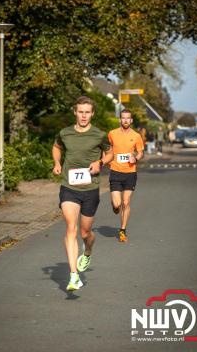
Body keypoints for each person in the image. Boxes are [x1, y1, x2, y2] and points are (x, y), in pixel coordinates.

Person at [52, 96, 113, 291]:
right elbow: (56, 146)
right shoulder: (65, 133)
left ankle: (87, 251)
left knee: (85, 232)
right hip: (69, 187)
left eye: (87, 112)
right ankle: (73, 276)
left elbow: (110, 152)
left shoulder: (99, 135)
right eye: (80, 112)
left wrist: (100, 163)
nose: (84, 115)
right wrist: (57, 163)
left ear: (92, 113)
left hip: (90, 189)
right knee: (71, 228)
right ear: (75, 112)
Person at [108, 109, 144, 242]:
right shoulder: (112, 134)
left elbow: (140, 152)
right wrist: (106, 160)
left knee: (126, 202)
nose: (126, 120)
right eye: (123, 118)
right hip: (115, 171)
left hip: (130, 173)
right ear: (120, 120)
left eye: (128, 118)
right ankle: (115, 206)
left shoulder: (136, 136)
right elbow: (107, 149)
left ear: (131, 120)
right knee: (117, 204)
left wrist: (136, 158)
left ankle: (122, 230)